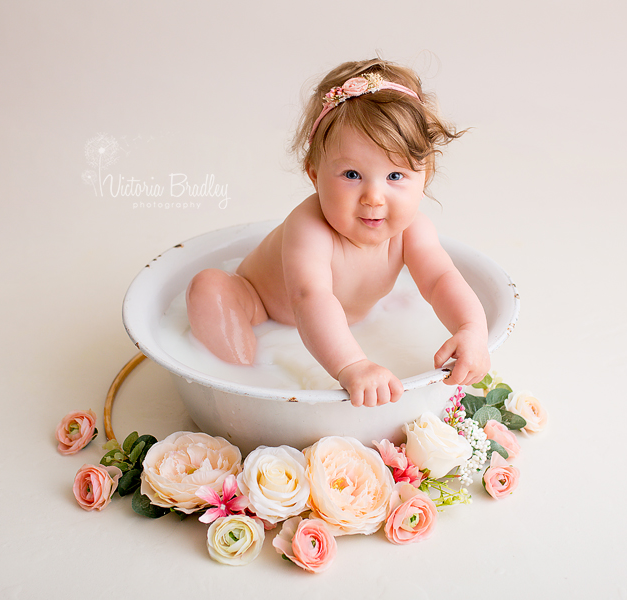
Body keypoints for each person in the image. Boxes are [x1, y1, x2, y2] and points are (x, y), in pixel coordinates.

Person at [186, 58, 490, 407]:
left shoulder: (413, 230)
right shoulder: (310, 227)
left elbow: (440, 280)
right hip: (258, 305)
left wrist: (471, 329)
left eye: (395, 176)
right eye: (351, 175)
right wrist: (353, 365)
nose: (373, 198)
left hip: (337, 323)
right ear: (314, 173)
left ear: (426, 173)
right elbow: (310, 298)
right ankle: (239, 383)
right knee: (209, 288)